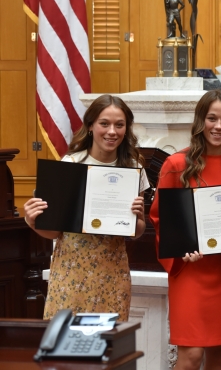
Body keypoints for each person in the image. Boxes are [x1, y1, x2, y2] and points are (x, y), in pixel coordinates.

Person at [149, 90, 221, 370]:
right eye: (211, 118)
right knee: (191, 356)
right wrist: (178, 251)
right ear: (200, 121)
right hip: (191, 272)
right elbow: (159, 217)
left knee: (220, 357)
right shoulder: (176, 165)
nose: (218, 126)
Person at [23, 94, 149, 321]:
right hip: (71, 271)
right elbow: (54, 232)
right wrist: (33, 222)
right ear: (90, 126)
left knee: (109, 348)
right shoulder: (71, 165)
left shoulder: (133, 168)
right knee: (64, 347)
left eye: (119, 125)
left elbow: (137, 231)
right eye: (104, 124)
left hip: (112, 273)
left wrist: (138, 217)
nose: (112, 131)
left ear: (126, 129)